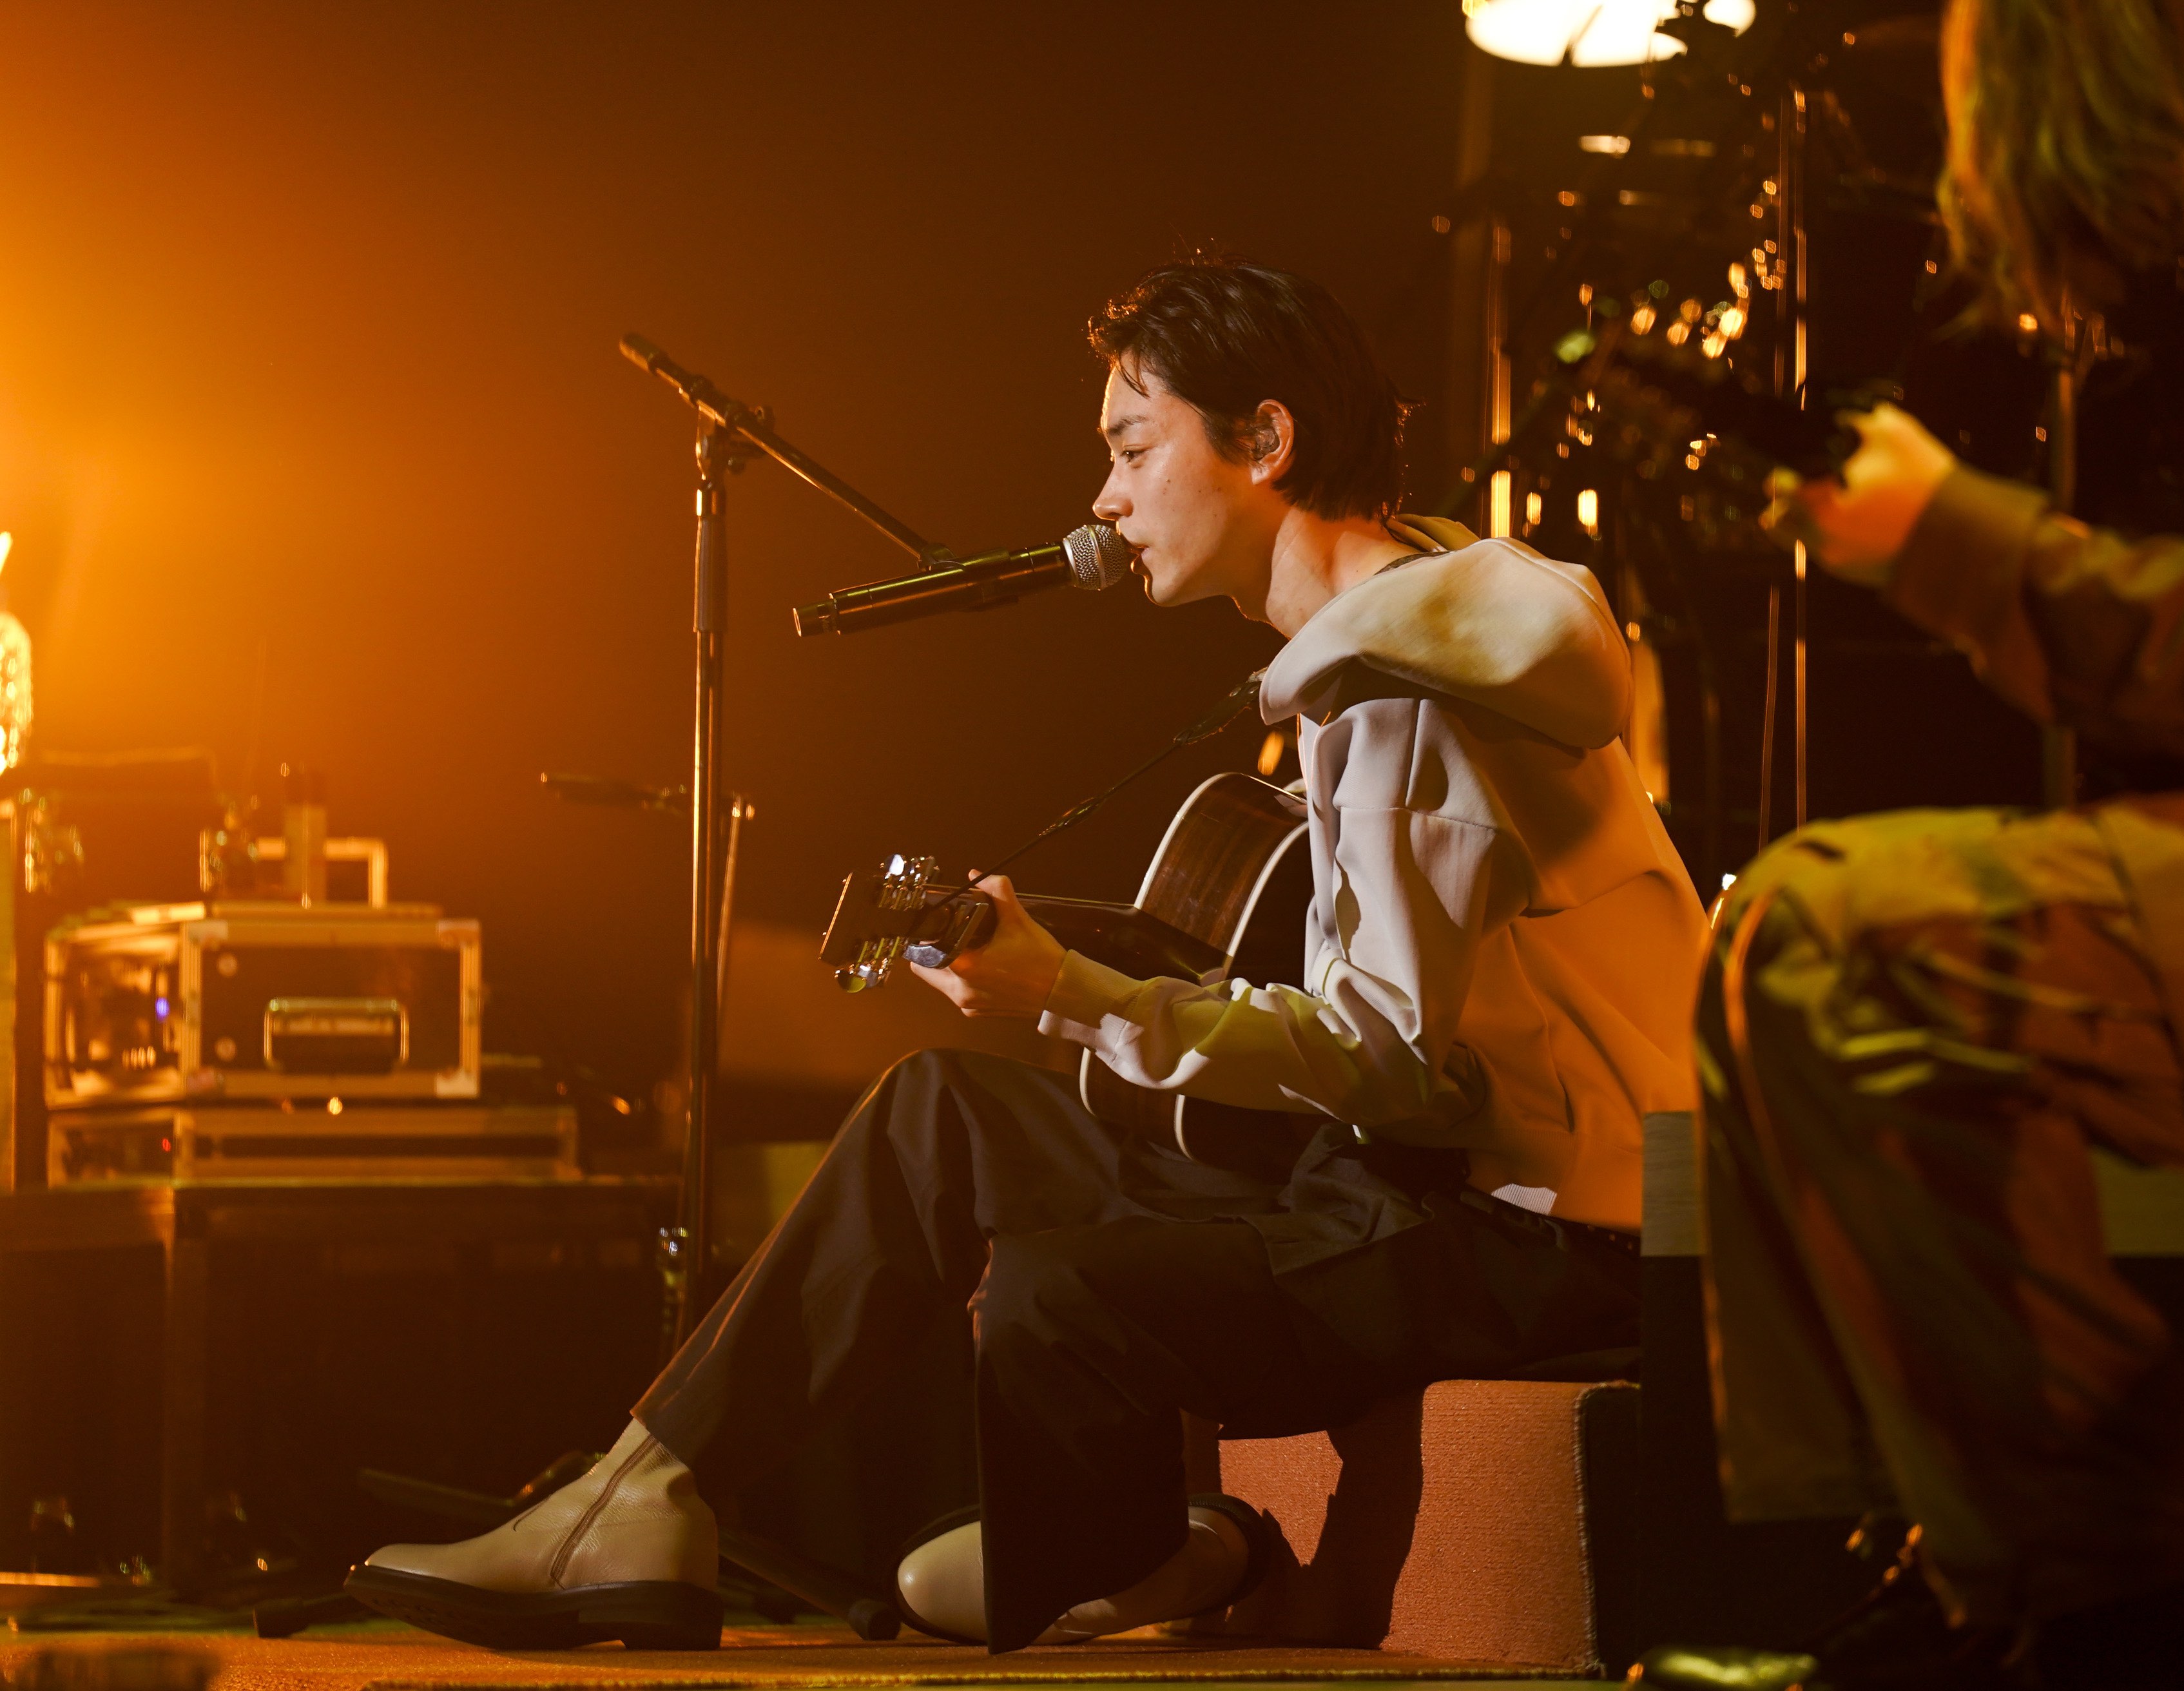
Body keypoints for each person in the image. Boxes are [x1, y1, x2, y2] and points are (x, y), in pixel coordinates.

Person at [346, 262, 1701, 1653]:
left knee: (1064, 1290)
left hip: (1551, 1239)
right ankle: (642, 1493)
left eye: (1131, 446)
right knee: (942, 1115)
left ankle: (1145, 1546)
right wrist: (1097, 988)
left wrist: (1075, 992)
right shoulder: (1389, 641)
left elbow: (1396, 1064)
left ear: (1266, 441)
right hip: (1424, 1181)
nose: (1104, 499)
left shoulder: (1419, 679)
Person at [1636, 2, 2184, 1686]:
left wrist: (1951, 541)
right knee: (1794, 926)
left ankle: (2105, 1602)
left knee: (1832, 940)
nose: (2175, 210)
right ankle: (1988, 1569)